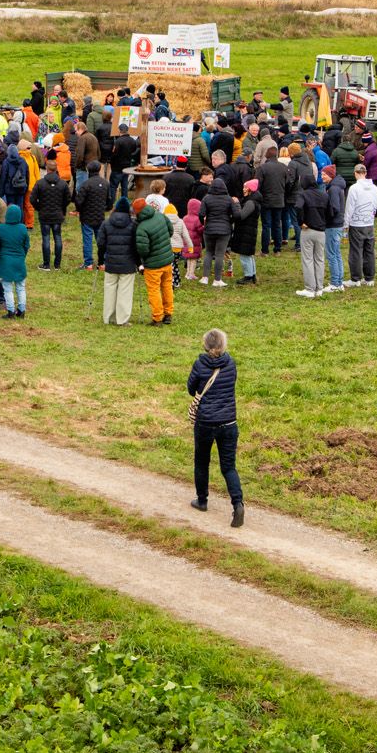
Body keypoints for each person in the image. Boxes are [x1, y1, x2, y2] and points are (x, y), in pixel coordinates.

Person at [187, 328, 244, 528]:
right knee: (228, 466)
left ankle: (202, 500)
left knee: (201, 461)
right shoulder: (230, 363)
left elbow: (191, 389)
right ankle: (238, 504)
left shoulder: (200, 364)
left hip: (205, 422)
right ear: (223, 345)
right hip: (229, 422)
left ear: (206, 345)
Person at [99, 196, 141, 325]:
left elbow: (101, 243)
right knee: (125, 292)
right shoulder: (133, 225)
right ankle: (122, 319)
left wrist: (101, 260)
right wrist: (138, 262)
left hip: (110, 262)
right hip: (128, 264)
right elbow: (136, 246)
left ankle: (108, 317)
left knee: (109, 289)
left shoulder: (106, 223)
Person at [135, 194, 176, 326]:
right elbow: (171, 231)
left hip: (153, 265)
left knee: (154, 290)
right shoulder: (160, 215)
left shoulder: (142, 227)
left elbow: (143, 250)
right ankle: (168, 313)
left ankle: (157, 317)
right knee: (167, 286)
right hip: (167, 259)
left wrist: (143, 260)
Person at [294, 166, 332, 297]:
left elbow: (298, 206)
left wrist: (301, 222)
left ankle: (310, 289)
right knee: (320, 259)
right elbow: (331, 211)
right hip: (321, 231)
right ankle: (319, 288)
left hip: (308, 230)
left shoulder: (302, 194)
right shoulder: (323, 194)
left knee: (308, 259)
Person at [0, 203, 31, 318]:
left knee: (7, 289)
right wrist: (22, 255)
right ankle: (21, 310)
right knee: (20, 287)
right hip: (19, 260)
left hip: (5, 261)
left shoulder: (1, 228)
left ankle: (10, 311)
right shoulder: (23, 228)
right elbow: (26, 245)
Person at [344, 168, 377, 286]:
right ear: (365, 173)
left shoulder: (354, 188)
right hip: (369, 223)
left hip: (356, 224)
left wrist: (346, 224)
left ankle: (355, 279)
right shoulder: (374, 188)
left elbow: (349, 207)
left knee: (356, 251)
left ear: (355, 173)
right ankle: (369, 278)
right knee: (369, 251)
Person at [30, 161, 69, 270]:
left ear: (47, 169)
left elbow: (32, 199)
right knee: (58, 237)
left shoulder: (40, 183)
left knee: (46, 238)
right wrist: (61, 208)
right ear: (56, 169)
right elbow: (68, 199)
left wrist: (39, 207)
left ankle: (46, 264)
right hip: (57, 215)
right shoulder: (63, 183)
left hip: (45, 215)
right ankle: (57, 264)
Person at [198, 174, 234, 286]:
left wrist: (204, 223)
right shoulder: (229, 199)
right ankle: (217, 280)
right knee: (219, 254)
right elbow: (235, 214)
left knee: (208, 252)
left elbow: (201, 214)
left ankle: (205, 277)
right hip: (224, 230)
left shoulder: (206, 198)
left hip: (209, 229)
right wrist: (229, 222)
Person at [73, 161, 110, 270]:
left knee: (87, 240)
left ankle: (88, 263)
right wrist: (105, 208)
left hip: (87, 217)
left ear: (88, 170)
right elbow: (109, 200)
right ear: (99, 170)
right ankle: (102, 263)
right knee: (101, 240)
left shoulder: (86, 185)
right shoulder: (105, 184)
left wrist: (80, 210)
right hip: (100, 216)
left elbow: (78, 201)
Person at [229, 179, 261, 285]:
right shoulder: (251, 200)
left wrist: (236, 205)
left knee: (244, 254)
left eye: (245, 187)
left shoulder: (250, 202)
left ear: (250, 189)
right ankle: (252, 275)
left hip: (246, 231)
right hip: (248, 230)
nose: (243, 189)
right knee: (248, 254)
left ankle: (248, 276)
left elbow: (241, 216)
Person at [322, 164, 348, 292]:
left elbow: (334, 208)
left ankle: (335, 283)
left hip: (333, 225)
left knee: (331, 254)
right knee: (337, 253)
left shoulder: (332, 189)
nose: (322, 177)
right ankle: (339, 281)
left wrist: (326, 217)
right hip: (338, 224)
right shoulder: (337, 186)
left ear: (330, 175)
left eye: (324, 174)